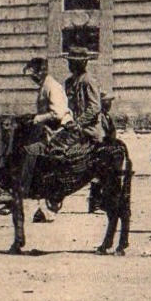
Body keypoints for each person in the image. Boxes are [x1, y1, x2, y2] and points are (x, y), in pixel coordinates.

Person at [9, 55, 78, 253]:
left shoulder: (51, 86)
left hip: (58, 129)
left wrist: (37, 119)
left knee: (30, 152)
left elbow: (57, 113)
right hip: (48, 128)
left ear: (40, 72)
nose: (32, 78)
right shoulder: (44, 85)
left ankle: (29, 187)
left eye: (33, 74)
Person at [95, 118, 133, 255]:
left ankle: (111, 244)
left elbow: (104, 169)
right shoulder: (120, 145)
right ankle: (119, 244)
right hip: (121, 183)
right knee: (122, 214)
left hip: (114, 184)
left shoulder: (102, 147)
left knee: (115, 214)